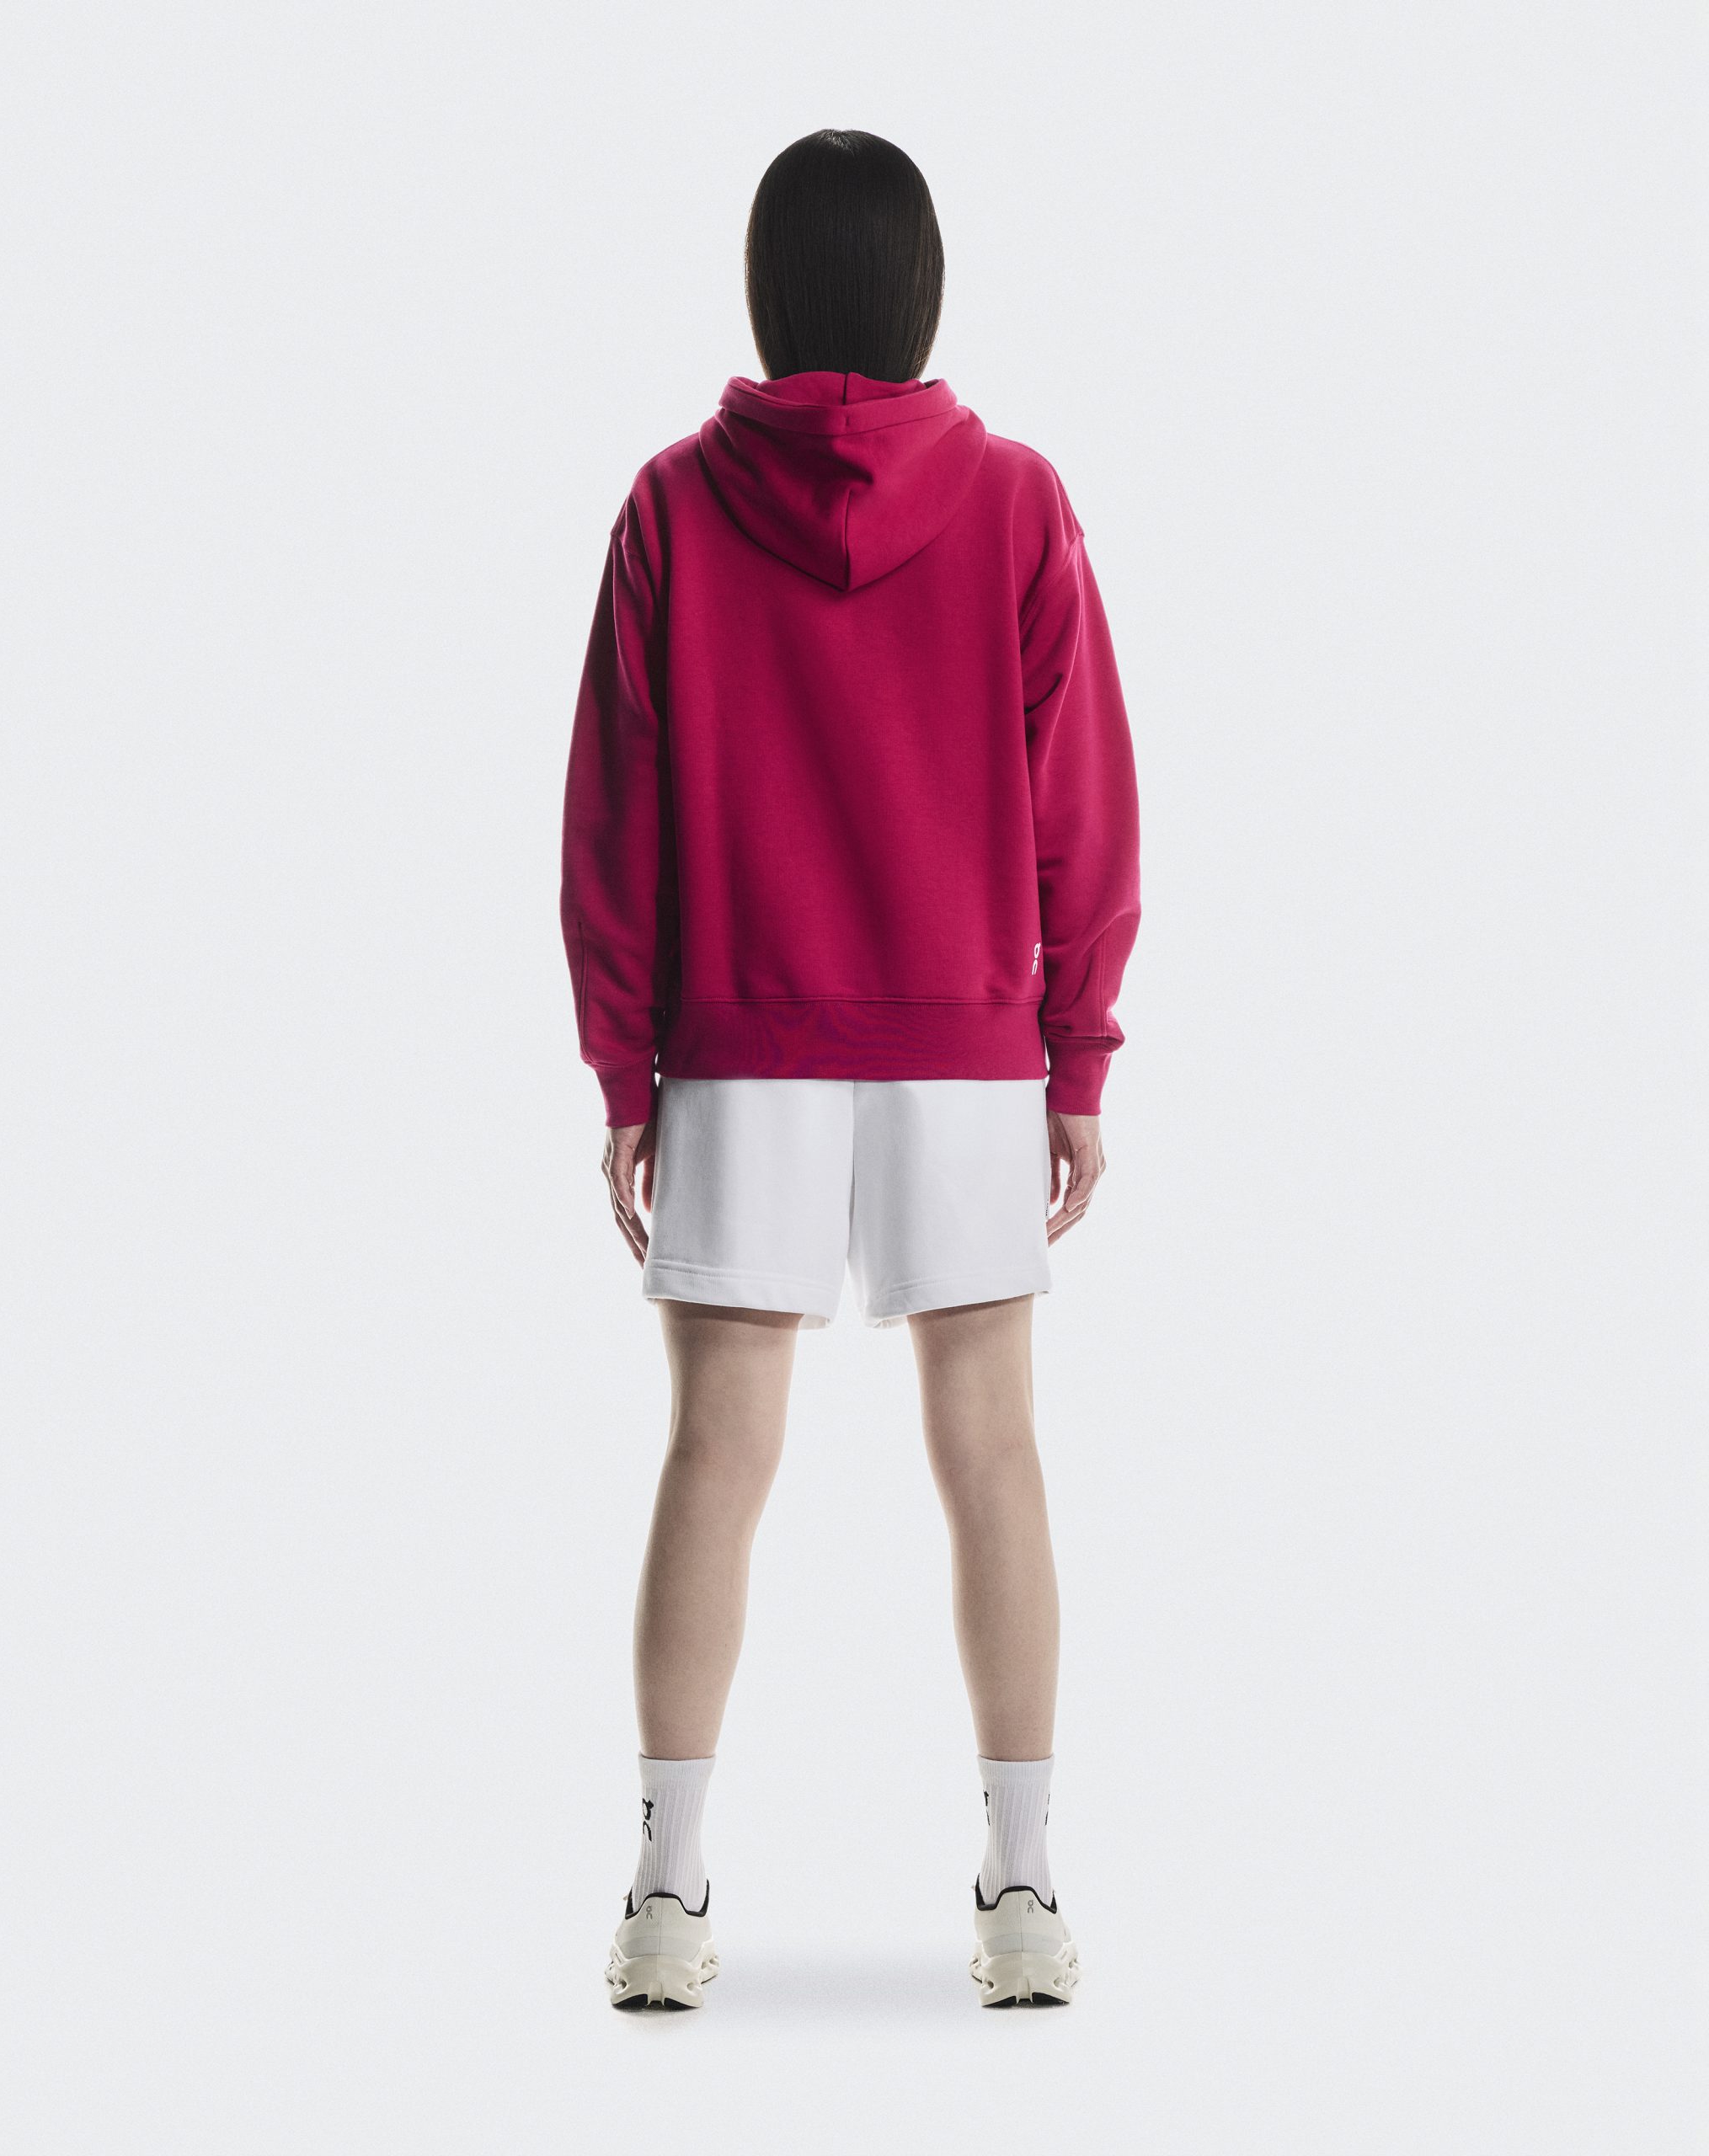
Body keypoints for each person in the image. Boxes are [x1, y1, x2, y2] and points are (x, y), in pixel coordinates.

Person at [561, 128, 1140, 2010]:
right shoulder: (1017, 500)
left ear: (767, 291)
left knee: (713, 1451)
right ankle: (1024, 1886)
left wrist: (627, 1067)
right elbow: (1082, 803)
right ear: (920, 293)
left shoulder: (672, 504)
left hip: (743, 1036)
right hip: (965, 1038)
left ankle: (663, 1888)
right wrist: (1075, 1053)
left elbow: (615, 811)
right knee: (993, 1449)